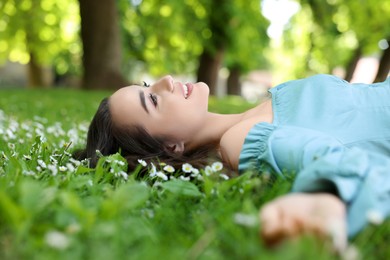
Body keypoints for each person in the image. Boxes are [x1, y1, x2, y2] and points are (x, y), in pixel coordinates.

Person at [76, 74, 390, 251]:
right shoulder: (238, 140)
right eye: (153, 100)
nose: (166, 81)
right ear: (171, 146)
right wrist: (326, 196)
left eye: (147, 86)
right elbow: (337, 160)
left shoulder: (267, 102)